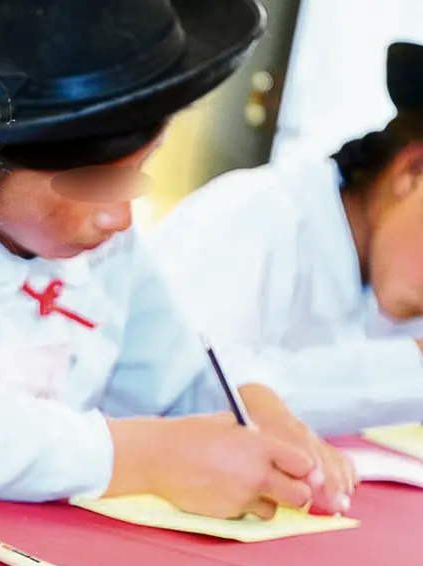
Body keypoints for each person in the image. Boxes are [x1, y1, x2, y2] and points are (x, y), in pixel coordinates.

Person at [0, 0, 355, 518]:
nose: (122, 219)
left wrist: (248, 403)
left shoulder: (112, 253)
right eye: (98, 182)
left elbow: (168, 380)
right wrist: (142, 457)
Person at [148, 41, 423, 436]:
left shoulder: (382, 264)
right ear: (412, 172)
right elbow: (195, 393)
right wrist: (412, 366)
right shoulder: (256, 215)